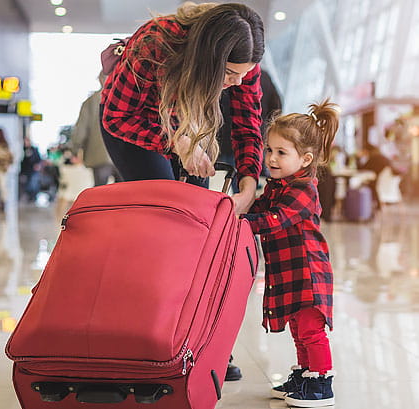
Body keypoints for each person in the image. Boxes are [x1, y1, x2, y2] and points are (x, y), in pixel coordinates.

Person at [100, 2, 264, 381]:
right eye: (230, 74)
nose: (238, 82)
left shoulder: (245, 65)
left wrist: (250, 183)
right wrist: (178, 143)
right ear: (210, 57)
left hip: (193, 125)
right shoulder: (156, 43)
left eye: (245, 74)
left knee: (198, 234)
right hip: (135, 126)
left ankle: (202, 341)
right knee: (162, 230)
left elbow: (246, 124)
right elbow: (117, 116)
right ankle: (149, 338)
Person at [241, 100, 338, 407]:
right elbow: (258, 207)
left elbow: (275, 219)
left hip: (308, 273)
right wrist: (240, 209)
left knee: (311, 331)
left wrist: (244, 221)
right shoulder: (277, 187)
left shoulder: (303, 190)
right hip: (290, 271)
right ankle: (305, 374)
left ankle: (321, 383)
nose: (271, 157)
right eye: (269, 150)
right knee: (298, 328)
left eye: (281, 152)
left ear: (306, 158)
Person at [71, 71, 120, 186]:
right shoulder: (124, 97)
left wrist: (74, 149)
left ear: (100, 79)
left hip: (99, 155)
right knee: (123, 193)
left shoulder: (90, 102)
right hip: (122, 155)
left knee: (100, 191)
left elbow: (81, 130)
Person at [20, 137, 42, 203]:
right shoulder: (22, 150)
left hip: (34, 170)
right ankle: (29, 197)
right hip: (26, 170)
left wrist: (38, 165)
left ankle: (33, 197)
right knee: (27, 184)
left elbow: (39, 159)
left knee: (34, 183)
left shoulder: (34, 149)